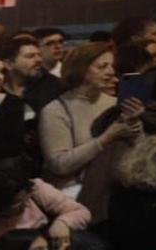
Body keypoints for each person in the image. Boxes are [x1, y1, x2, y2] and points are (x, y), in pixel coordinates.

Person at [38, 42, 143, 218]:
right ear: (80, 69)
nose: (110, 72)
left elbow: (140, 154)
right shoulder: (56, 110)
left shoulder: (116, 103)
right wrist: (107, 137)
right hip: (75, 199)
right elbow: (59, 164)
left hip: (118, 195)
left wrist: (136, 126)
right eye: (102, 66)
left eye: (111, 66)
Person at [6, 32, 64, 109]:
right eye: (30, 56)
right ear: (9, 64)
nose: (39, 60)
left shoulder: (54, 87)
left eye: (39, 55)